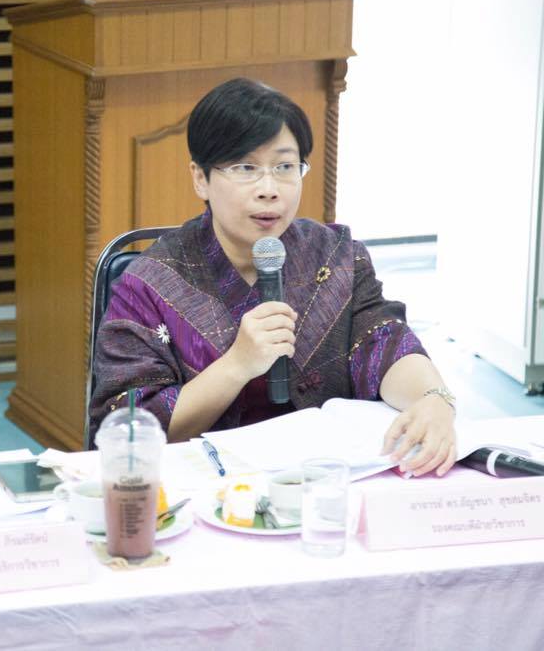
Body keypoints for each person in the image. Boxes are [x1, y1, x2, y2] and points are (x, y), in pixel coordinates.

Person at [89, 78, 456, 477]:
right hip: (206, 489)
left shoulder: (337, 256)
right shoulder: (150, 283)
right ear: (200, 178)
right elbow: (126, 428)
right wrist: (238, 364)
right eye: (245, 168)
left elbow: (386, 345)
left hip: (324, 479)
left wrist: (433, 399)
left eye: (284, 167)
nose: (269, 189)